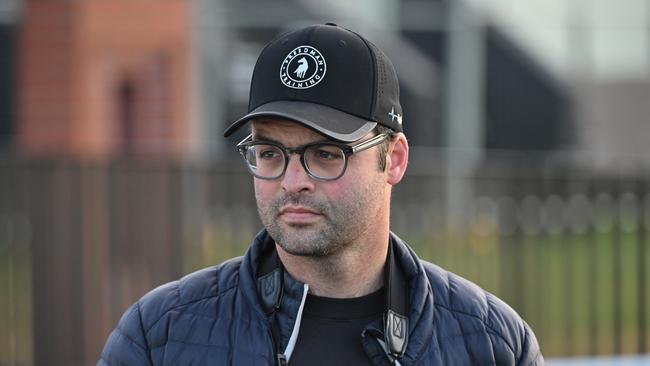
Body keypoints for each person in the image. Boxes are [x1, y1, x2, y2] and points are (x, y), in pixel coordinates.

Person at [99, 23, 543, 366]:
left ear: (395, 159)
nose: (293, 182)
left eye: (326, 153)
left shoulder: (491, 343)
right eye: (270, 153)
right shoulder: (161, 335)